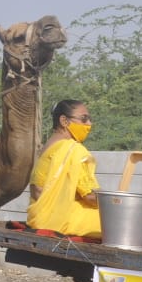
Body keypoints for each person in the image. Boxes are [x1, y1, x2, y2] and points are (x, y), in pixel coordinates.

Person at [26, 100, 101, 238]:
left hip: (39, 218)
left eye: (90, 119)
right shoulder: (74, 150)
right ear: (64, 121)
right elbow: (90, 197)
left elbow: (37, 191)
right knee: (115, 221)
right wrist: (115, 203)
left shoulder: (48, 148)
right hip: (61, 221)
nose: (89, 124)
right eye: (84, 119)